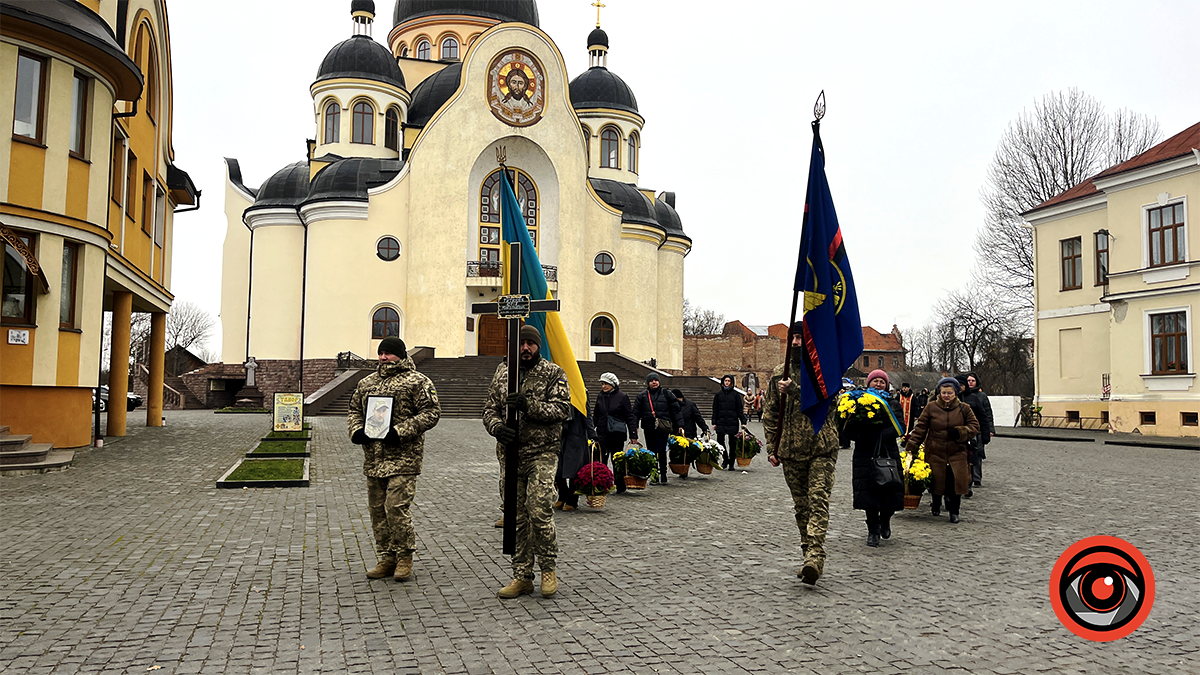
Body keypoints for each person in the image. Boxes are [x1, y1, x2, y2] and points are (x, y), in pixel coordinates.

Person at [483, 325, 572, 598]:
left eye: (531, 344)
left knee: (539, 510)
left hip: (541, 454)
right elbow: (489, 409)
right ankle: (521, 575)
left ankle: (548, 568)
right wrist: (497, 427)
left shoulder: (553, 373)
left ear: (538, 346)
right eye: (521, 343)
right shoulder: (502, 372)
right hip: (510, 456)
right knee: (516, 517)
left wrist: (529, 405)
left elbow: (562, 410)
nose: (525, 348)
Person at [347, 337, 442, 582]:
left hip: (404, 458)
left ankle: (404, 557)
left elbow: (431, 412)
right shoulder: (367, 382)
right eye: (381, 353)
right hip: (374, 459)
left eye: (388, 353)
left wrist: (399, 431)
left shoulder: (417, 381)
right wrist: (356, 430)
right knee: (378, 511)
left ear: (400, 354)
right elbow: (355, 410)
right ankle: (386, 557)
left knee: (396, 508)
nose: (383, 357)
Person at [763, 321, 841, 585]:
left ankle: (815, 558)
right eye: (793, 338)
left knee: (818, 501)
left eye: (801, 337)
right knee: (802, 507)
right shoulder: (778, 374)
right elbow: (771, 413)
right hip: (791, 449)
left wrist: (796, 391)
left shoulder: (824, 372)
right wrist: (772, 446)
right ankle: (807, 553)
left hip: (821, 447)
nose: (796, 342)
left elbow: (829, 407)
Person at [905, 377, 979, 524]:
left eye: (949, 393)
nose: (946, 395)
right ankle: (936, 503)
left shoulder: (964, 408)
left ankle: (954, 511)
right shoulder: (931, 407)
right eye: (944, 392)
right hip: (935, 450)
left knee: (955, 483)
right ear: (939, 393)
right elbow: (921, 428)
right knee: (937, 481)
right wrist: (912, 445)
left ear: (955, 393)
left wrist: (960, 432)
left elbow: (974, 427)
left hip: (957, 452)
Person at [843, 370, 904, 547]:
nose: (878, 384)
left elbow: (900, 425)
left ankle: (885, 519)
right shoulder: (857, 403)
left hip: (887, 451)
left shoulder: (892, 403)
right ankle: (873, 530)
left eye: (881, 382)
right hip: (864, 452)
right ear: (868, 384)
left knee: (891, 489)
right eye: (875, 381)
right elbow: (847, 427)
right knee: (868, 494)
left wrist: (882, 435)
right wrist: (861, 436)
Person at [632, 373, 683, 484]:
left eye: (656, 380)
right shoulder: (642, 396)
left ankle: (663, 473)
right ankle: (654, 474)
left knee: (661, 450)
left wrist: (679, 424)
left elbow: (675, 410)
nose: (654, 382)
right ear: (648, 383)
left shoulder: (666, 394)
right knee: (651, 451)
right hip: (649, 427)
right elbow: (636, 413)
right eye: (652, 381)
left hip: (662, 427)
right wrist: (634, 427)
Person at [592, 372, 637, 494]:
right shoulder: (600, 397)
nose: (603, 386)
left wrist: (633, 434)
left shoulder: (622, 397)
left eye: (606, 383)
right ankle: (602, 484)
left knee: (617, 460)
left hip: (616, 434)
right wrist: (591, 430)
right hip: (602, 433)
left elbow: (629, 416)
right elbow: (596, 415)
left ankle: (620, 484)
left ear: (612, 384)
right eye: (602, 384)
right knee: (601, 460)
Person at [959, 372, 995, 488]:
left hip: (977, 430)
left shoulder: (981, 396)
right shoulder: (958, 396)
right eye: (968, 381)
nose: (970, 383)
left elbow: (986, 414)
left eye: (972, 381)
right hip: (963, 430)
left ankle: (976, 477)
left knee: (977, 453)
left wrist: (989, 429)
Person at [711, 375, 746, 471]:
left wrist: (743, 421)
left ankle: (731, 463)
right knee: (720, 443)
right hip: (721, 421)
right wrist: (714, 422)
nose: (727, 382)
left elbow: (739, 409)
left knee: (732, 443)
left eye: (729, 381)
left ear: (731, 383)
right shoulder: (718, 395)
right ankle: (725, 459)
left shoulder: (735, 395)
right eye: (725, 381)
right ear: (722, 382)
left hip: (732, 421)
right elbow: (715, 409)